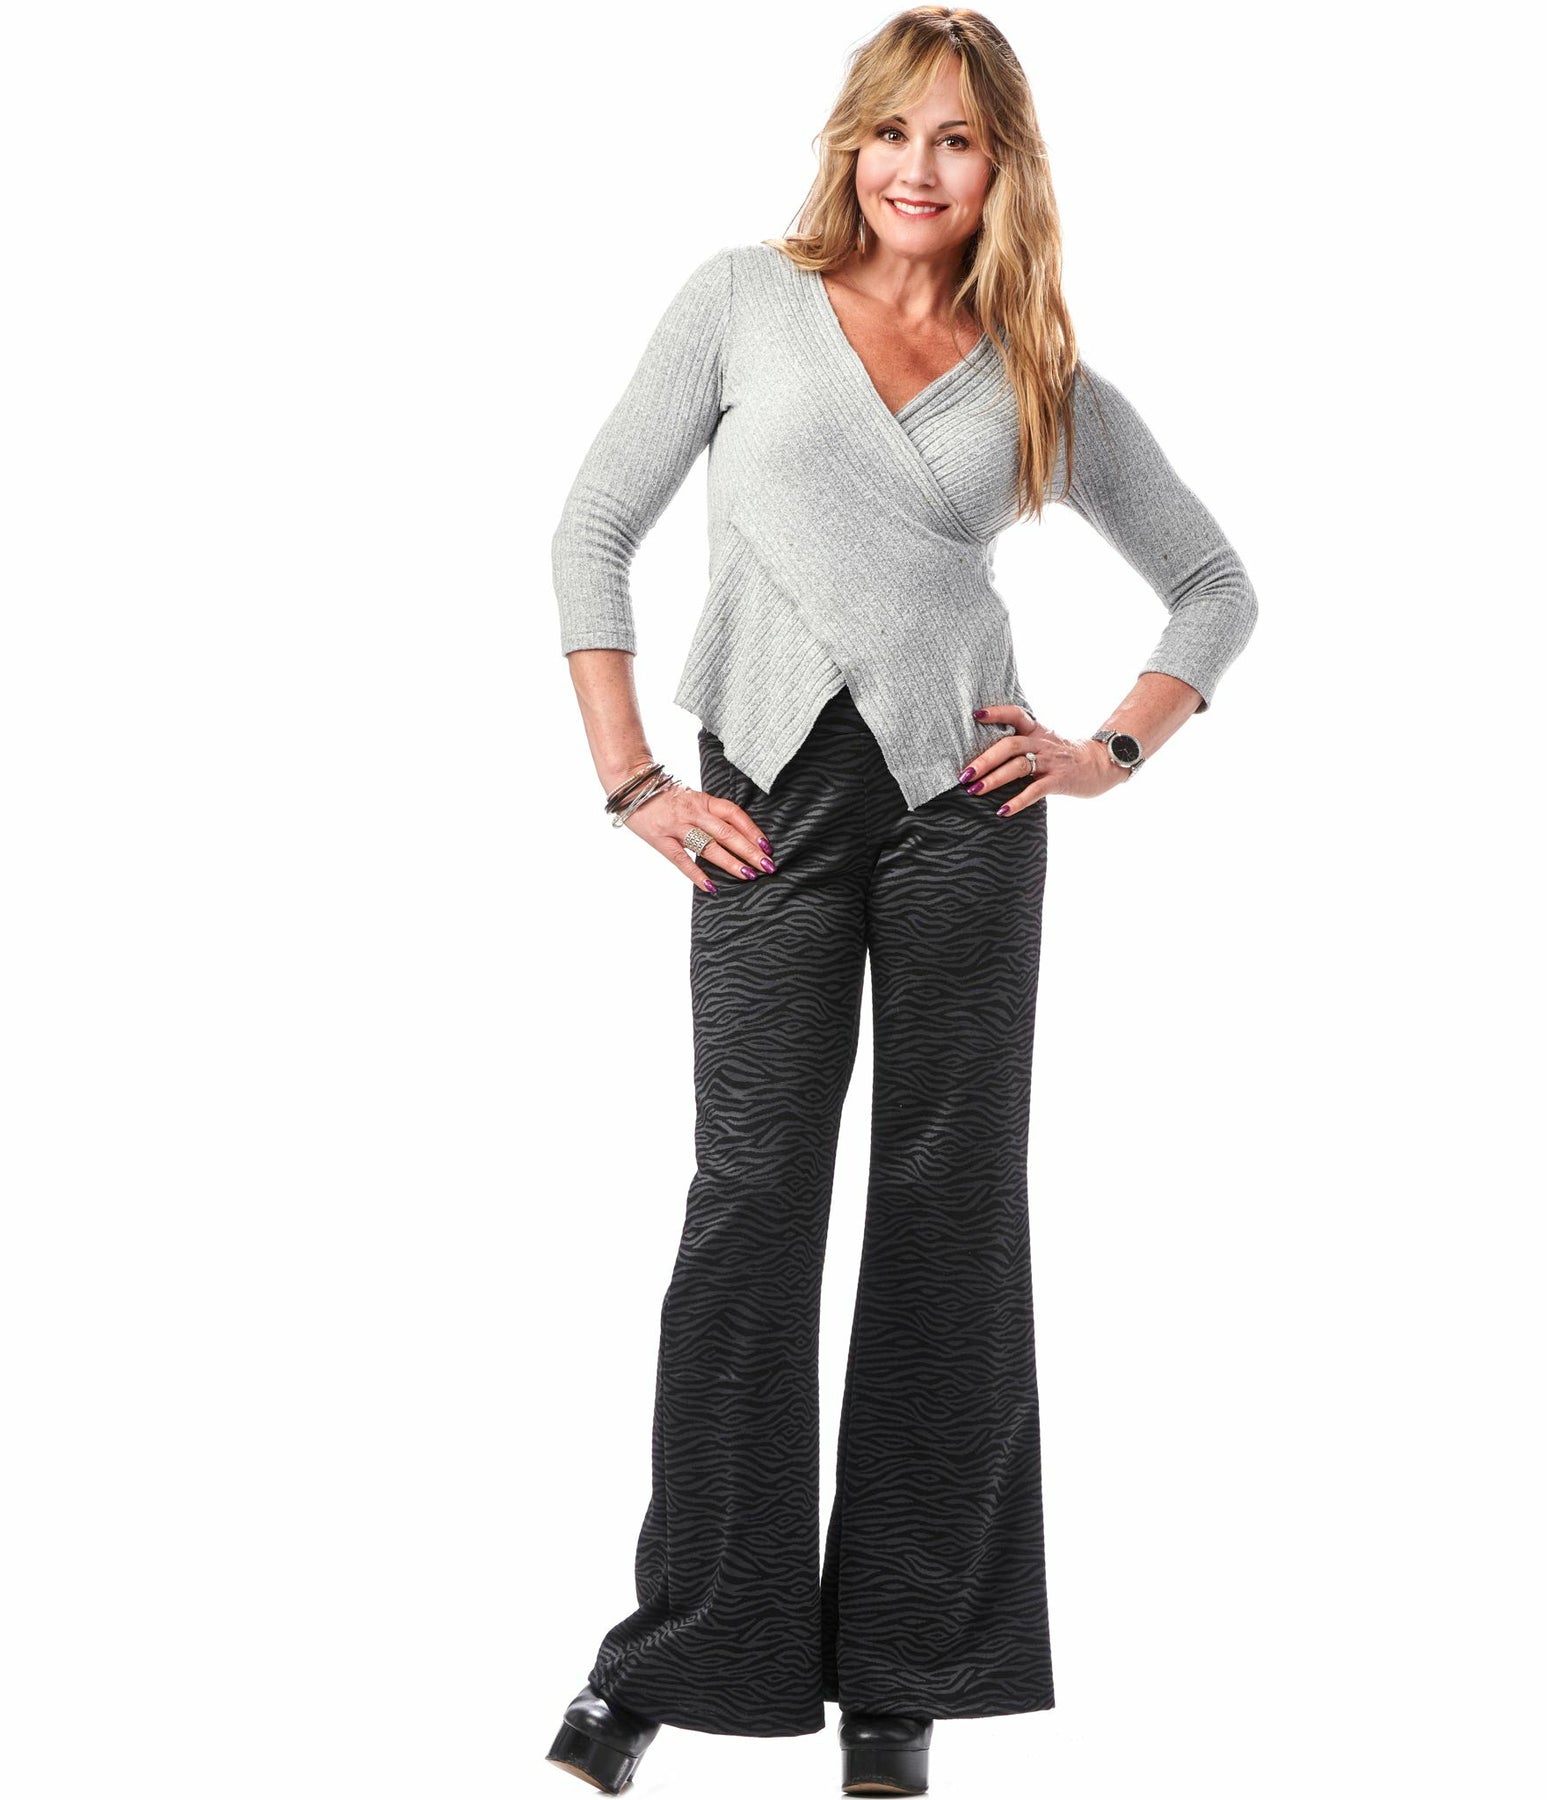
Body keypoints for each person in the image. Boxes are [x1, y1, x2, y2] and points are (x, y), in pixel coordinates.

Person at [542, 8, 1258, 1794]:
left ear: (1000, 165)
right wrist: (633, 782)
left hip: (966, 814)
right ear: (849, 144)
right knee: (750, 1201)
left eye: (955, 139)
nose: (916, 169)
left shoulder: (1036, 371)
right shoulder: (741, 300)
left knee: (948, 1217)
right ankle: (683, 1649)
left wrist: (1109, 750)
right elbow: (592, 529)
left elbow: (1213, 584)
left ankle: (904, 1672)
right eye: (891, 133)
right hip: (765, 807)